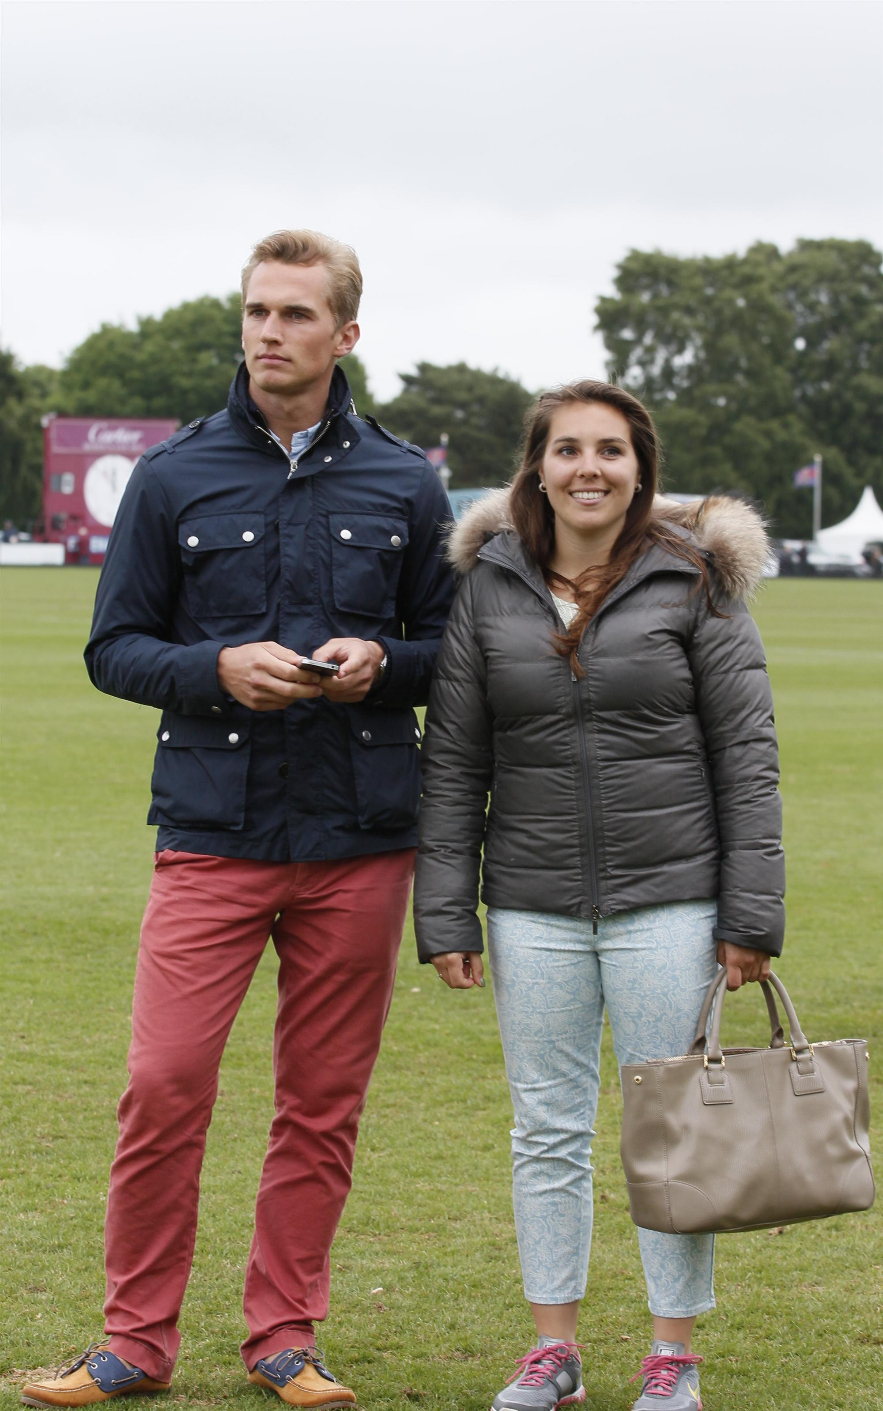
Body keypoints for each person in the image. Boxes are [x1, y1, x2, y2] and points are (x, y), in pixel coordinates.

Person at [22, 229, 454, 1410]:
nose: (271, 332)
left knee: (320, 1104)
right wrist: (219, 668)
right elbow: (114, 648)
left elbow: (451, 653)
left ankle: (284, 1337)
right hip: (210, 834)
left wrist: (385, 662)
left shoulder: (405, 482)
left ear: (345, 334)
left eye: (296, 315)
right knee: (164, 1084)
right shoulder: (174, 476)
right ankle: (133, 1342)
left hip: (360, 837)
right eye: (257, 312)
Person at [413, 380, 784, 1411]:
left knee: (671, 1127)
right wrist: (447, 911)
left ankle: (671, 1357)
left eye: (609, 450)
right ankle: (553, 1352)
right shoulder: (488, 584)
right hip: (529, 906)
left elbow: (746, 758)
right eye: (567, 449)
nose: (588, 468)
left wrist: (749, 915)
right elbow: (453, 759)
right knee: (546, 1127)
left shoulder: (694, 579)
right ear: (534, 466)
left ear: (639, 468)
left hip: (671, 901)